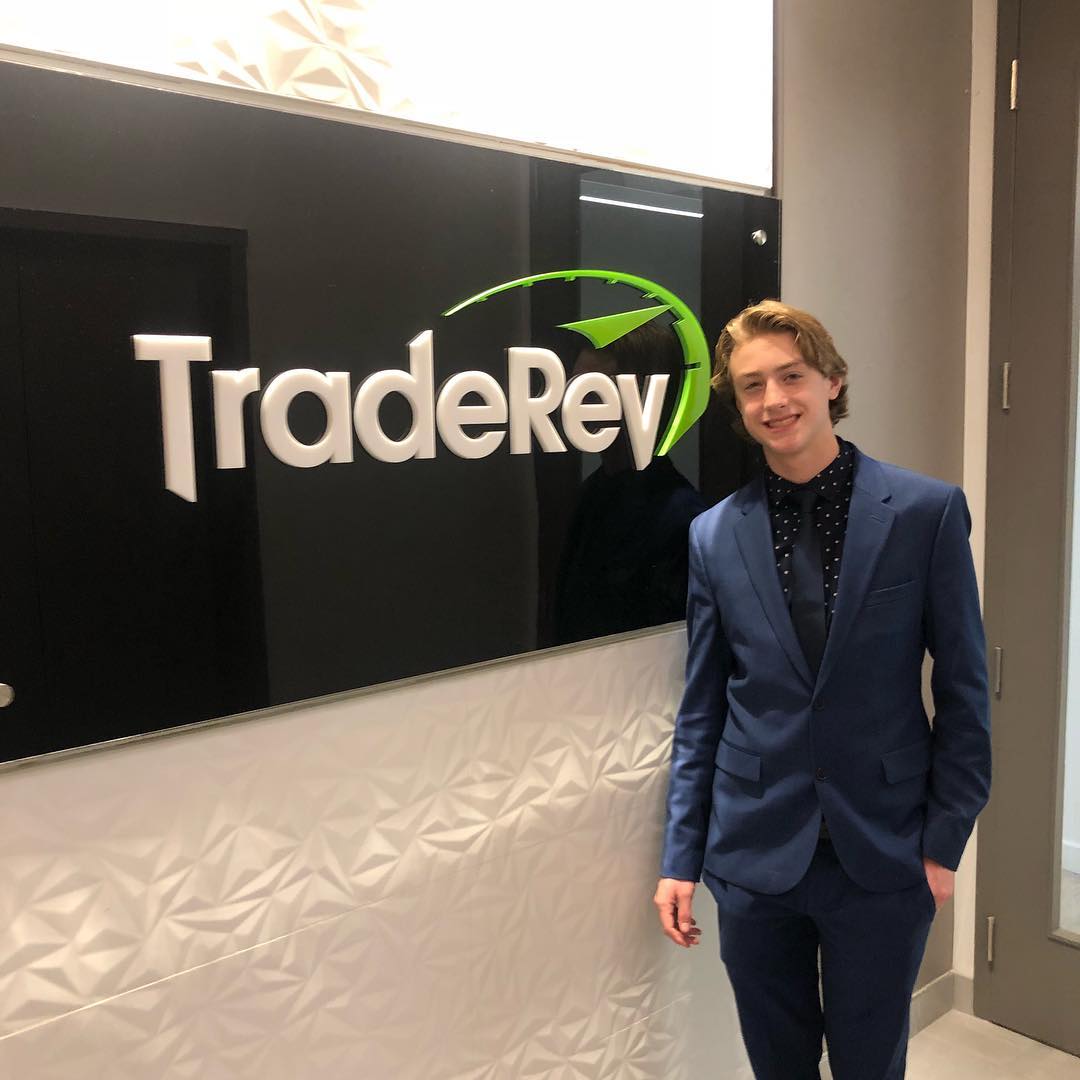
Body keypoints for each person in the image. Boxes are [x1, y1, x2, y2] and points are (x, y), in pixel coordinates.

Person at [653, 300, 991, 1080]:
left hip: (883, 853)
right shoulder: (712, 534)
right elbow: (702, 708)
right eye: (752, 386)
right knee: (778, 1065)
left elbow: (966, 690)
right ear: (737, 405)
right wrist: (682, 857)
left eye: (791, 376)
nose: (774, 400)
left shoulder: (925, 513)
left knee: (871, 1063)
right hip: (753, 855)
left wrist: (943, 843)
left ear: (832, 381)